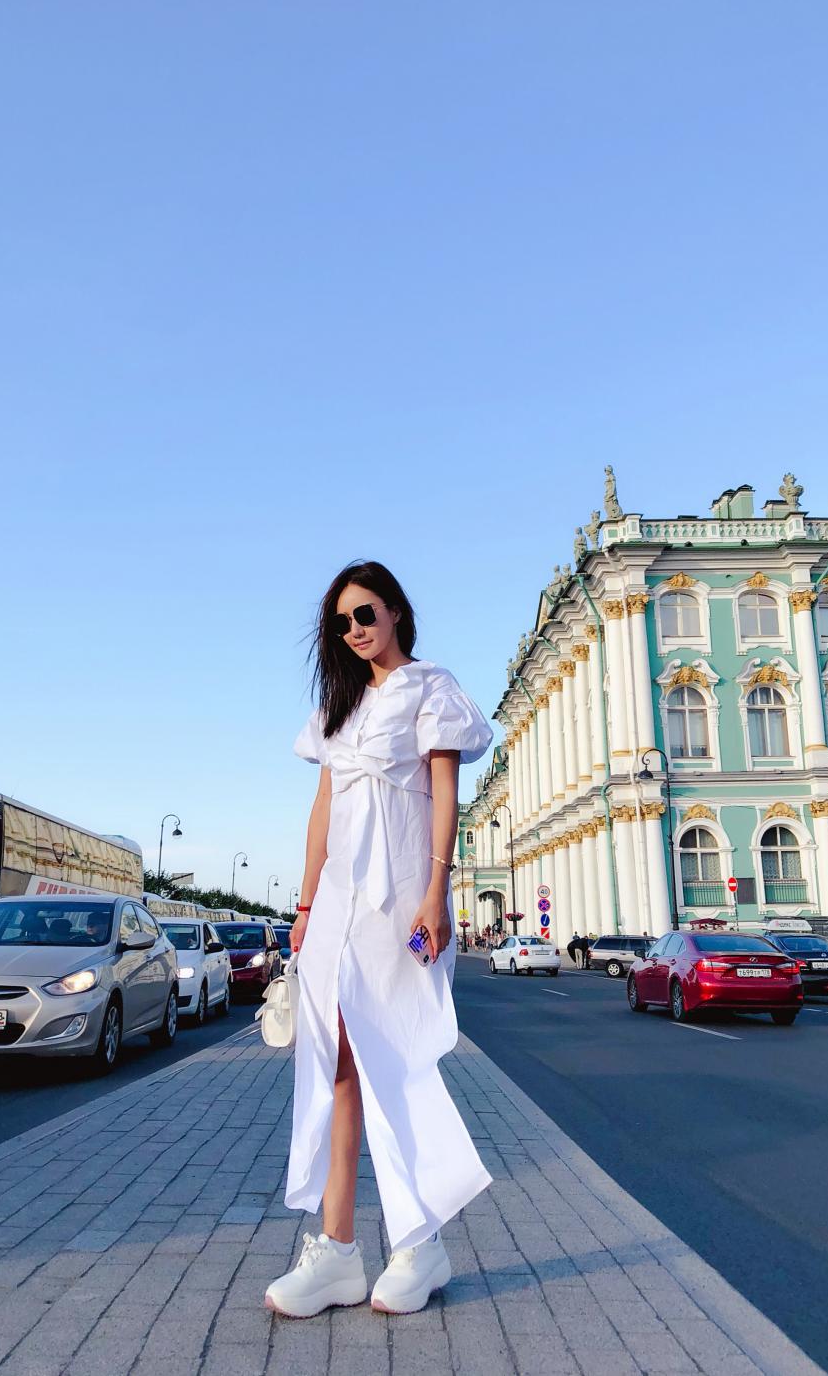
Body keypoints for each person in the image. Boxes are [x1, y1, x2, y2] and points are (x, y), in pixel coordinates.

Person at [266, 560, 493, 1321]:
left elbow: (444, 792)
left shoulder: (431, 686)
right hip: (336, 902)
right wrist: (303, 905)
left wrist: (437, 889)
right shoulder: (340, 706)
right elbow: (321, 812)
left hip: (398, 898)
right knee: (332, 1060)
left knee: (390, 1055)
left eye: (364, 612)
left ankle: (419, 1242)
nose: (354, 628)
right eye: (341, 621)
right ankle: (335, 1248)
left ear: (395, 609)